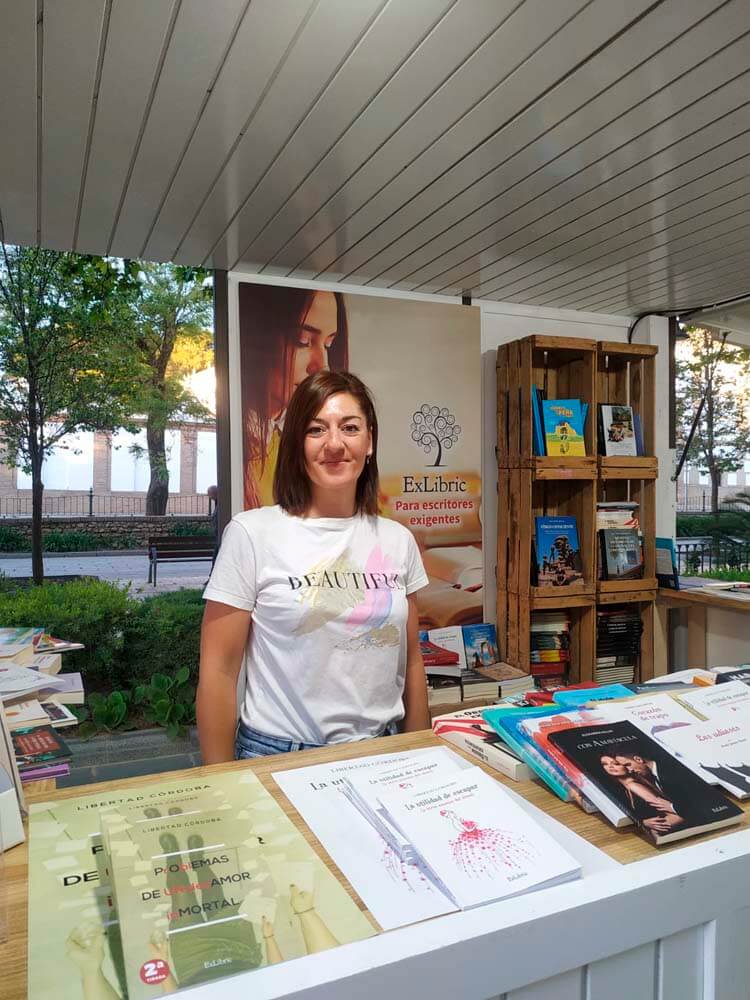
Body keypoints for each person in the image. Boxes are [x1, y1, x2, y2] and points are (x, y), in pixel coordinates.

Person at [198, 370, 430, 763]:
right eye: (316, 430)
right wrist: (219, 784)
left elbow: (411, 661)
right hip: (278, 755)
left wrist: (421, 754)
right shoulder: (252, 534)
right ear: (297, 443)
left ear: (370, 441)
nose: (334, 444)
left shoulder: (397, 540)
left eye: (350, 428)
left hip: (384, 752)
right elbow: (218, 670)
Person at [239, 284, 349, 509]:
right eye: (302, 341)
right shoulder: (243, 447)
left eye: (329, 345)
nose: (322, 366)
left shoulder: (302, 441)